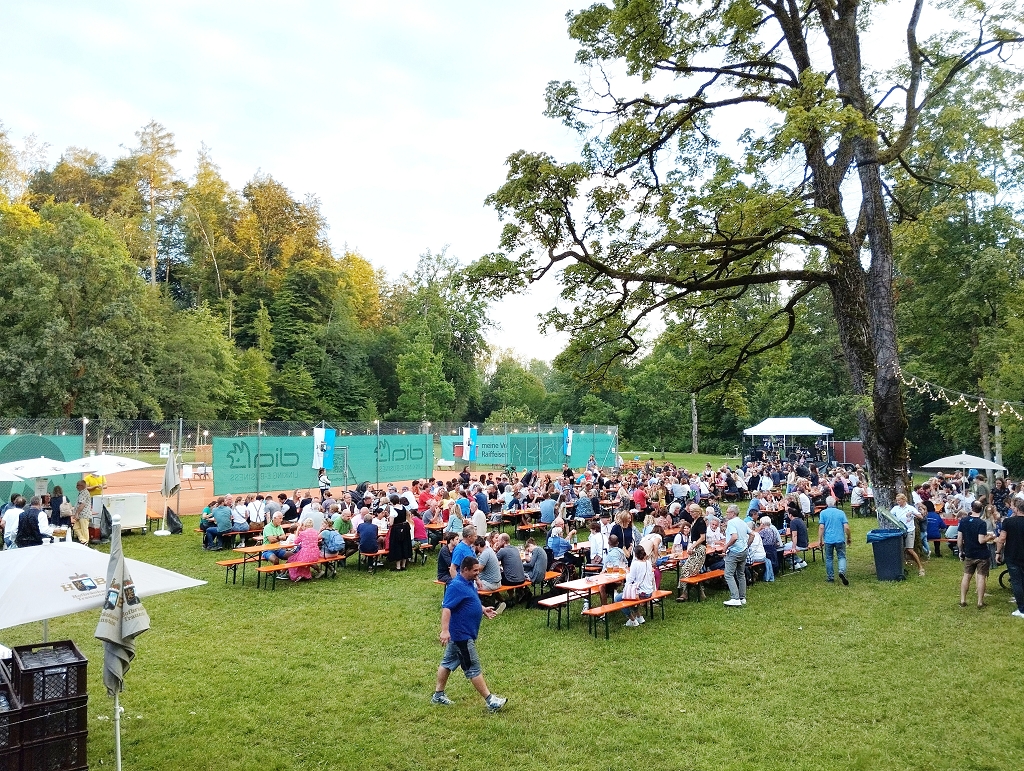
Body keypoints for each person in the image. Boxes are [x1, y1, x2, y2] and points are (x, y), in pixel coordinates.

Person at [432, 556, 507, 712]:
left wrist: (483, 609)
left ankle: (438, 695)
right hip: (462, 635)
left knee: (447, 663)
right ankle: (490, 700)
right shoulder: (456, 586)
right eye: (475, 570)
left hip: (462, 635)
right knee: (473, 667)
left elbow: (470, 600)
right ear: (464, 570)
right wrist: (444, 630)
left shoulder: (469, 582)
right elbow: (447, 608)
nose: (477, 573)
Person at [958, 500, 994, 609]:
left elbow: (959, 538)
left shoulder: (964, 521)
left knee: (966, 576)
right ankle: (980, 602)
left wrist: (961, 551)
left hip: (969, 553)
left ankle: (963, 600)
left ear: (971, 508)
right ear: (981, 509)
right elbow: (981, 540)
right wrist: (989, 537)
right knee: (981, 577)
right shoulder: (981, 523)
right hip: (982, 554)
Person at [995, 498, 1024, 618]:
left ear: (1016, 509)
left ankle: (1022, 609)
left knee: (1016, 581)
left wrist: (998, 552)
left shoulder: (1008, 521)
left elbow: (1002, 538)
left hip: (1012, 554)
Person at [616, 543, 655, 627]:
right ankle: (639, 616)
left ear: (635, 554)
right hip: (649, 592)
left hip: (641, 593)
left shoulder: (635, 564)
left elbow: (630, 579)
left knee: (618, 599)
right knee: (631, 596)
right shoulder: (648, 563)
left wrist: (627, 574)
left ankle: (632, 619)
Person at [723, 504, 753, 607]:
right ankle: (742, 597)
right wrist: (747, 545)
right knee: (741, 574)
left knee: (728, 574)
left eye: (728, 512)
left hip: (734, 551)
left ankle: (735, 598)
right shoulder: (742, 522)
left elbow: (734, 537)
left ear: (733, 513)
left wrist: (726, 546)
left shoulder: (731, 522)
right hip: (743, 551)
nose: (726, 514)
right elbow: (752, 534)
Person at [677, 507, 708, 602]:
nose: (690, 513)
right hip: (694, 548)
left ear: (697, 512)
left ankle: (685, 593)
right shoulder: (694, 521)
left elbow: (702, 537)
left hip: (699, 549)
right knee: (690, 571)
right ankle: (699, 592)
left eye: (692, 512)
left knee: (687, 570)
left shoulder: (701, 522)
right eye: (690, 512)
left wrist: (692, 546)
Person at [818, 496, 851, 585]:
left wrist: (820, 540)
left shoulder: (823, 513)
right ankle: (841, 571)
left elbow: (821, 527)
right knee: (841, 556)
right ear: (835, 503)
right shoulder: (841, 513)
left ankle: (830, 577)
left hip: (828, 540)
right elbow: (846, 527)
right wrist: (848, 537)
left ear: (826, 503)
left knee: (829, 558)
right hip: (839, 539)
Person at [891, 493, 925, 577]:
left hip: (909, 530)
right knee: (899, 549)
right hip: (900, 531)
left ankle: (920, 568)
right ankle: (899, 567)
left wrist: (912, 513)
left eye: (899, 500)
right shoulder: (896, 508)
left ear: (904, 500)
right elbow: (890, 515)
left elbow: (921, 517)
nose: (898, 502)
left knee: (910, 549)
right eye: (897, 500)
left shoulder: (910, 508)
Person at [71, 480, 91, 546]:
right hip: (80, 515)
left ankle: (85, 543)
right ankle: (83, 540)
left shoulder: (84, 493)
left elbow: (82, 504)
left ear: (82, 486)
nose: (76, 487)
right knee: (75, 527)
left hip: (83, 515)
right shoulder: (82, 493)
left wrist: (76, 513)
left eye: (77, 485)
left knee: (84, 529)